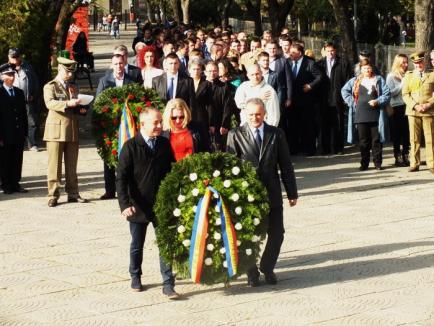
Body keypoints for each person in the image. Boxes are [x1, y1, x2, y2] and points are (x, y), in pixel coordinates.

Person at [226, 98, 298, 286]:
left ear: (264, 113)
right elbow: (230, 166)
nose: (254, 118)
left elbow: (285, 164)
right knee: (248, 235)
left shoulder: (276, 134)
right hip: (246, 194)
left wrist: (292, 192)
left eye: (258, 114)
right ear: (245, 114)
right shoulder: (235, 134)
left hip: (271, 191)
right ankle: (251, 272)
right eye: (251, 114)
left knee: (277, 233)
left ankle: (267, 266)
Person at [116, 107, 180, 299]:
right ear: (142, 124)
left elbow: (171, 171)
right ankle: (135, 276)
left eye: (161, 122)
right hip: (138, 205)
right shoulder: (130, 147)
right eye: (156, 123)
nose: (160, 126)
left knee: (165, 244)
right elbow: (121, 178)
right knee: (137, 243)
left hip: (161, 204)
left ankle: (168, 283)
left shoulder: (163, 144)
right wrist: (124, 204)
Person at [43, 57, 88, 207]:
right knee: (54, 165)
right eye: (68, 72)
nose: (70, 75)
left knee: (72, 165)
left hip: (72, 129)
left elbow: (77, 104)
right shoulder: (50, 86)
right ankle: (53, 194)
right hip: (55, 130)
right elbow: (50, 103)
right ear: (60, 69)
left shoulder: (73, 86)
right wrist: (68, 103)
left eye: (71, 73)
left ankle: (73, 193)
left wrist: (82, 108)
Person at [97, 54, 136, 200]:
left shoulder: (131, 81)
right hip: (109, 126)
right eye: (116, 64)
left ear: (125, 64)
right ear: (111, 65)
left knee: (127, 156)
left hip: (127, 126)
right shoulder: (104, 81)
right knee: (109, 157)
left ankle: (127, 189)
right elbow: (98, 103)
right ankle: (109, 190)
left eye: (121, 63)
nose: (119, 66)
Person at [341, 60, 391, 171]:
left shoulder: (378, 79)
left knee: (376, 140)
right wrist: (352, 103)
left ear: (372, 68)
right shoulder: (355, 81)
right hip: (360, 114)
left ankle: (378, 163)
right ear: (361, 70)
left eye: (368, 68)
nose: (367, 70)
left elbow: (387, 94)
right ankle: (364, 164)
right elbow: (344, 91)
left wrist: (377, 101)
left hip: (376, 114)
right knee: (363, 141)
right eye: (364, 68)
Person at [316, 41, 352, 155]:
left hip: (337, 98)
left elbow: (348, 81)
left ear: (335, 51)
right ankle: (324, 148)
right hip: (323, 98)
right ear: (324, 51)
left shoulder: (343, 63)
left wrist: (345, 97)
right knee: (323, 123)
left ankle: (338, 147)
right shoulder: (319, 64)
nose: (330, 53)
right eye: (328, 51)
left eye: (332, 51)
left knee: (338, 123)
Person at [287, 43, 323, 155]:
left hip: (306, 99)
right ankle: (294, 149)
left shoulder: (310, 63)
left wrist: (310, 85)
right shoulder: (287, 62)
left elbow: (320, 77)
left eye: (293, 52)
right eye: (290, 52)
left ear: (300, 53)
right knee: (293, 125)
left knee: (307, 125)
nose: (290, 54)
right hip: (292, 99)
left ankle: (309, 149)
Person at [402, 51, 434, 173]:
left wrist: (428, 104)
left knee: (430, 138)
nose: (418, 65)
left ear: (424, 62)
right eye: (415, 63)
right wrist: (415, 106)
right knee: (414, 139)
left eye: (420, 62)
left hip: (429, 110)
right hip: (413, 111)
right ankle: (414, 163)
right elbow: (405, 94)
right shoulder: (409, 76)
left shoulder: (432, 75)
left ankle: (432, 164)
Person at [0, 63, 28, 194]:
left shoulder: (19, 92)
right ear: (1, 77)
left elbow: (23, 113)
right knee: (5, 159)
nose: (11, 77)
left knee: (17, 158)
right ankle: (6, 184)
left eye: (12, 74)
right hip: (5, 133)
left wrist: (25, 131)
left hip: (18, 132)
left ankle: (16, 182)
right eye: (8, 75)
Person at [8, 48, 41, 151]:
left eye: (17, 57)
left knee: (31, 122)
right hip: (11, 101)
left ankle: (32, 143)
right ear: (8, 57)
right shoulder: (5, 68)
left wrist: (33, 95)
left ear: (20, 56)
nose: (15, 59)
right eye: (13, 57)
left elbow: (35, 81)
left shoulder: (27, 66)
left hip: (27, 100)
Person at [386, 54, 410, 166]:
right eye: (403, 62)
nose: (405, 65)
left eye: (406, 62)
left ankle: (406, 154)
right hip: (396, 107)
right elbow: (390, 93)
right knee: (397, 133)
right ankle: (397, 156)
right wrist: (402, 84)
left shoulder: (408, 74)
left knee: (406, 133)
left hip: (407, 106)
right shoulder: (391, 76)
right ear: (398, 63)